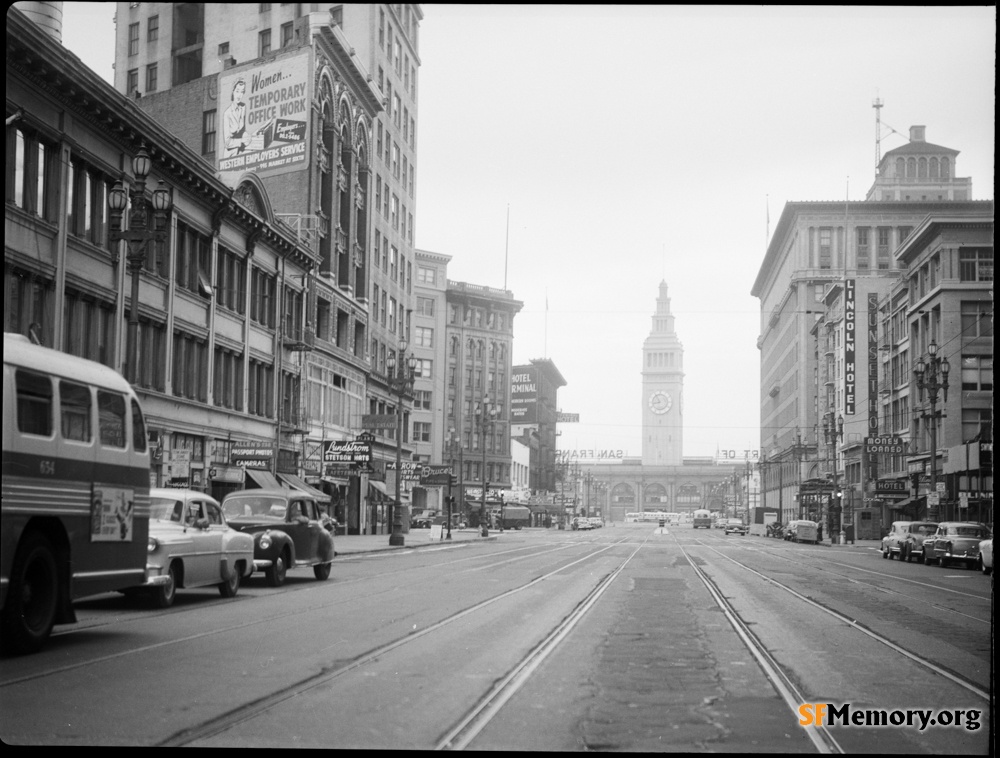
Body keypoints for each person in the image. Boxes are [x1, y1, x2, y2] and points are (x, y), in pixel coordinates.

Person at [223, 79, 253, 158]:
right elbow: (227, 143)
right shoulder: (227, 113)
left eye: (242, 92)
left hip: (240, 151)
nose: (239, 95)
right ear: (233, 92)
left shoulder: (243, 107)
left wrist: (247, 136)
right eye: (237, 91)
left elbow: (242, 130)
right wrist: (241, 141)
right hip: (230, 154)